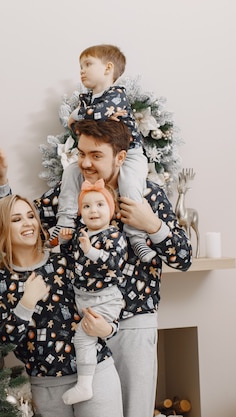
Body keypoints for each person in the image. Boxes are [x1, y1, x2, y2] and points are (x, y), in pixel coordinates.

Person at [0, 118, 193, 417]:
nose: (85, 163)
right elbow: (20, 222)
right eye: (81, 154)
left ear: (120, 157)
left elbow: (183, 258)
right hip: (84, 326)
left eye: (96, 155)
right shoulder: (69, 194)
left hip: (132, 324)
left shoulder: (149, 196)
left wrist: (152, 224)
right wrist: (0, 183)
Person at [0, 194, 123, 417]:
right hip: (47, 387)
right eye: (16, 219)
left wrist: (108, 329)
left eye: (31, 216)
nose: (28, 223)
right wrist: (26, 302)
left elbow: (104, 295)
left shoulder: (65, 262)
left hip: (96, 374)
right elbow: (3, 343)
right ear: (1, 229)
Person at [51, 44, 156, 263]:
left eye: (88, 64)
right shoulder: (88, 99)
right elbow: (83, 130)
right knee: (70, 172)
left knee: (129, 186)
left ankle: (136, 237)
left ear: (108, 68)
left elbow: (94, 115)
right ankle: (65, 221)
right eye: (80, 65)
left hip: (132, 153)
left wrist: (76, 115)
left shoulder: (116, 95)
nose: (82, 70)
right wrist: (78, 119)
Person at [57, 179, 127, 405]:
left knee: (83, 337)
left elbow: (114, 263)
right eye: (86, 206)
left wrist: (91, 251)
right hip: (84, 298)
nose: (93, 210)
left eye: (100, 205)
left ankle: (85, 385)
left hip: (105, 299)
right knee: (82, 336)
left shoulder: (113, 236)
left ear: (111, 210)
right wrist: (66, 242)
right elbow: (71, 261)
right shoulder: (81, 234)